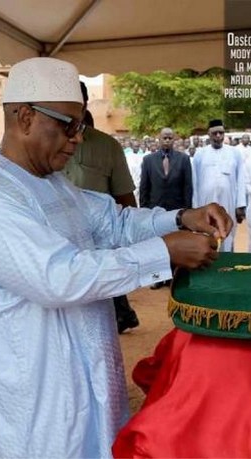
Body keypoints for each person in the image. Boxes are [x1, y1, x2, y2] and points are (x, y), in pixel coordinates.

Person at [0, 57, 232, 458]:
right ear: (25, 117)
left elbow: (113, 223)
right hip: (36, 402)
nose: (79, 138)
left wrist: (181, 217)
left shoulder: (53, 183)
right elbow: (59, 277)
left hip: (84, 378)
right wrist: (164, 252)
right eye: (68, 125)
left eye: (81, 125)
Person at [62, 81, 140, 333]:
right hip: (53, 248)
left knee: (97, 327)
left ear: (84, 104)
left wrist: (132, 246)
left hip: (97, 251)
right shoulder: (38, 147)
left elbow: (126, 201)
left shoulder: (107, 147)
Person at [193, 119, 247, 252]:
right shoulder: (200, 154)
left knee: (227, 233)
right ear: (209, 134)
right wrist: (195, 207)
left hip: (228, 202)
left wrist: (240, 205)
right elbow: (195, 181)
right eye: (215, 133)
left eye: (221, 133)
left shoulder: (235, 153)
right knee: (207, 232)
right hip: (205, 202)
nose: (218, 136)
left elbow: (241, 179)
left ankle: (227, 261)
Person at [139, 127, 193, 211]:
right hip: (155, 209)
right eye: (164, 138)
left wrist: (187, 210)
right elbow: (144, 187)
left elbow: (187, 186)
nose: (167, 140)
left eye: (170, 138)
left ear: (174, 140)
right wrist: (143, 210)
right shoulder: (148, 160)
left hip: (177, 209)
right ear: (159, 139)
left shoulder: (183, 159)